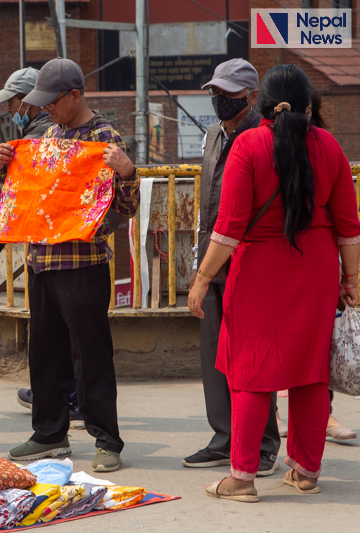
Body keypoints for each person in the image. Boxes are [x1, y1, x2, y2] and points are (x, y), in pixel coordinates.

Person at [189, 64, 360, 501]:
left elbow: (227, 228)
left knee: (251, 371)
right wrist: (353, 280)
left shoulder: (249, 146)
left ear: (261, 104)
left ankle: (242, 478)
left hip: (259, 271)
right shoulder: (329, 146)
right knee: (310, 374)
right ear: (308, 105)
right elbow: (349, 226)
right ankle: (305, 473)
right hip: (317, 272)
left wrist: (202, 278)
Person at [0, 58, 139, 472]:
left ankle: (107, 440)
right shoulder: (49, 134)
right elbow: (29, 198)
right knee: (45, 353)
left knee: (90, 355)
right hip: (42, 260)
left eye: (53, 101)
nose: (46, 109)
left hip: (81, 262)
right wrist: (3, 167)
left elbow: (125, 209)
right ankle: (49, 434)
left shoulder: (105, 138)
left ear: (75, 95)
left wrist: (128, 172)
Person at [183, 59, 281, 476]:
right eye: (215, 93)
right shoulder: (212, 136)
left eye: (228, 94)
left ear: (253, 97)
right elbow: (209, 209)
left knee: (254, 359)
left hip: (251, 264)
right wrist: (200, 267)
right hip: (213, 259)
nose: (219, 100)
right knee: (213, 356)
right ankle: (224, 437)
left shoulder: (266, 138)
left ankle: (264, 444)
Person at [0, 67, 82, 426]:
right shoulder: (43, 131)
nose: (10, 110)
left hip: (60, 248)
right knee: (62, 332)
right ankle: (63, 400)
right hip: (55, 245)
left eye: (12, 102)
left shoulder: (43, 135)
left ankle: (68, 399)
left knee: (59, 334)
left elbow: (22, 197)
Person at [274, 90, 358, 443]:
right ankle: (281, 423)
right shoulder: (262, 143)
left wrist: (349, 277)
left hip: (316, 264)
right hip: (279, 263)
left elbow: (346, 222)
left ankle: (318, 419)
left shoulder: (324, 146)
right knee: (283, 347)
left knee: (315, 347)